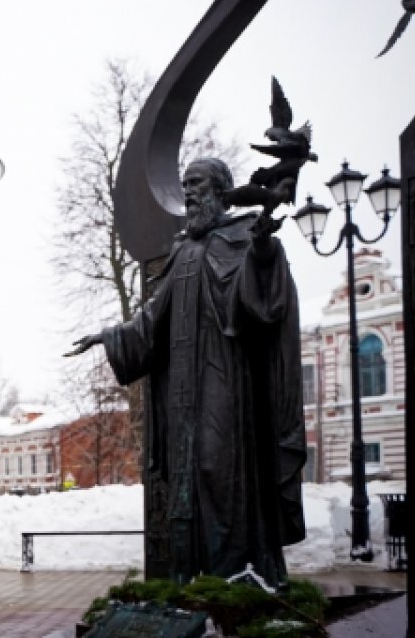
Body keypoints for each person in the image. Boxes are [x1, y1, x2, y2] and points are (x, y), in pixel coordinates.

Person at [66, 157, 306, 585]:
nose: (189, 192)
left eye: (196, 184)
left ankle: (236, 573)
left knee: (221, 468)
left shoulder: (245, 236)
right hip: (182, 391)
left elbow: (265, 305)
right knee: (187, 473)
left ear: (221, 191)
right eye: (185, 184)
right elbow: (153, 317)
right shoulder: (185, 250)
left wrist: (265, 250)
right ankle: (192, 577)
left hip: (228, 383)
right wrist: (110, 336)